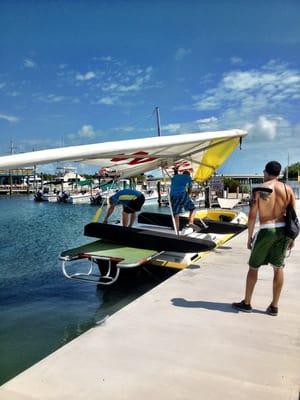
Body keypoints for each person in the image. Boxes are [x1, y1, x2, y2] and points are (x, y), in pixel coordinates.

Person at [232, 161, 296, 316]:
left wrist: (249, 237)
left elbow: (253, 216)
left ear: (266, 172)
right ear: (279, 173)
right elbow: (293, 215)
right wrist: (292, 238)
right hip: (283, 231)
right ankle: (274, 306)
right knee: (278, 267)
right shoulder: (288, 189)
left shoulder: (259, 189)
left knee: (253, 267)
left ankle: (247, 303)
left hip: (267, 230)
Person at [170, 169, 196, 233]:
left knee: (176, 213)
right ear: (188, 174)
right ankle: (190, 222)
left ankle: (177, 230)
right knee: (193, 209)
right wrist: (189, 195)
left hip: (173, 196)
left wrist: (176, 170)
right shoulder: (188, 177)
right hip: (182, 194)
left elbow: (175, 178)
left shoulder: (175, 177)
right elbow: (190, 189)